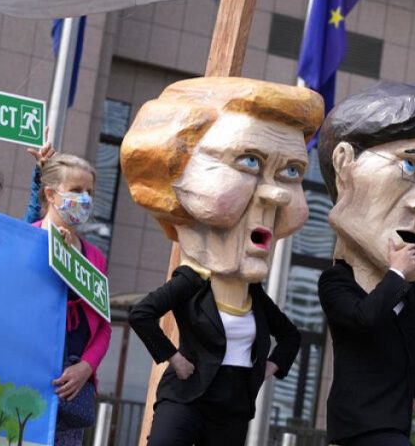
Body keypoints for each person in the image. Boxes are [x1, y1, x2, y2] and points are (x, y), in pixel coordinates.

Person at [123, 77, 323, 446]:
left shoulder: (256, 298)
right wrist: (173, 358)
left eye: (292, 172)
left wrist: (268, 368)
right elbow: (142, 314)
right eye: (248, 161)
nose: (276, 193)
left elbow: (291, 336)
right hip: (189, 395)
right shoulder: (191, 282)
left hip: (233, 404)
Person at [317, 82, 415, 446]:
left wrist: (414, 388)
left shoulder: (405, 289)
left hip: (394, 422)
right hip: (359, 425)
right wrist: (395, 274)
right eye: (409, 164)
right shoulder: (335, 283)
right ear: (345, 165)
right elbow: (363, 319)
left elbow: (413, 343)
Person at [31, 153, 111, 446]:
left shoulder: (95, 257)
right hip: (28, 375)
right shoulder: (28, 239)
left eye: (89, 192)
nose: (85, 199)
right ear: (51, 194)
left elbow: (103, 326)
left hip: (72, 386)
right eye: (77, 191)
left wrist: (86, 367)